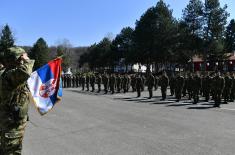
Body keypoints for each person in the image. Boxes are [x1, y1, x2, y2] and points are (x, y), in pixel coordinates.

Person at [0, 47, 35, 154]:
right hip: (11, 125)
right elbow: (25, 72)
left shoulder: (5, 73)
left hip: (8, 121)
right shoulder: (9, 75)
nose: (22, 60)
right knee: (12, 152)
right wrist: (27, 60)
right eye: (21, 58)